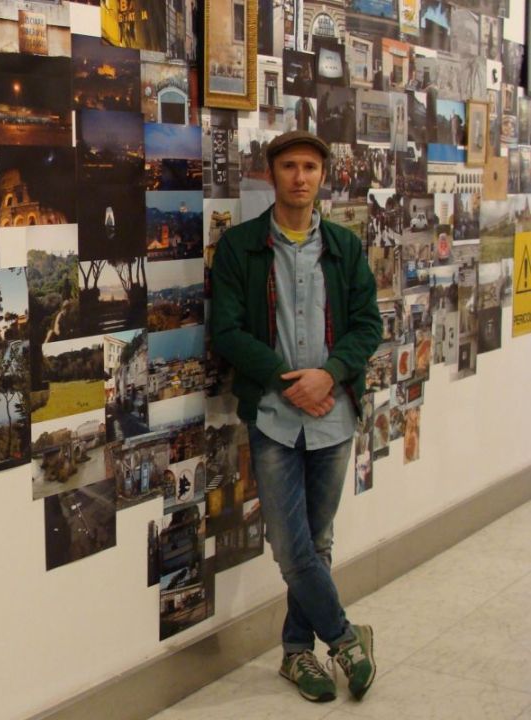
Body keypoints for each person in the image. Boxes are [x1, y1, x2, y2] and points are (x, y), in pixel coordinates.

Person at [209, 130, 383, 703]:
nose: (300, 177)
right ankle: (345, 637)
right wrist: (291, 381)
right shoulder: (240, 247)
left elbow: (368, 327)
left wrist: (329, 374)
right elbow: (227, 331)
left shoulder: (344, 247)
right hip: (275, 417)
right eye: (289, 166)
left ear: (323, 176)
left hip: (333, 416)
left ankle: (295, 653)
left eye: (310, 166)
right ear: (271, 173)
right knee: (290, 546)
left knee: (319, 541)